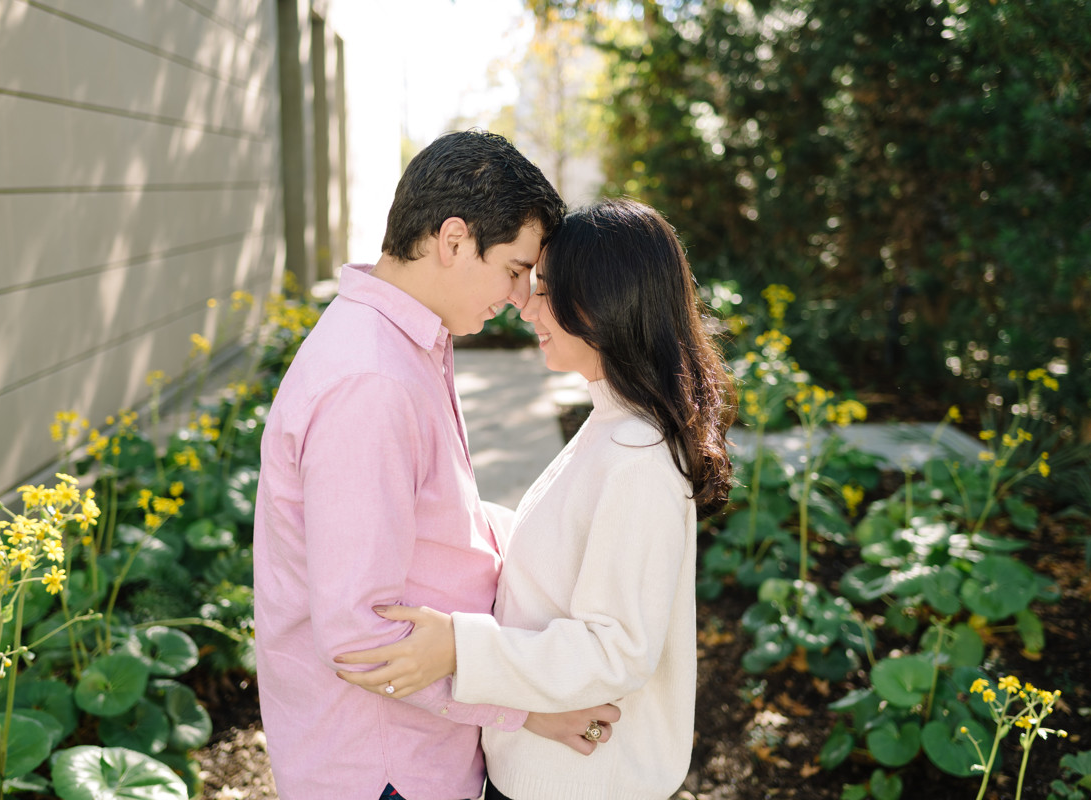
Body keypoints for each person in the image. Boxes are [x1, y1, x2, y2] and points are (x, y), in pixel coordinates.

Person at [253, 130, 619, 800]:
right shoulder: (371, 382)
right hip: (383, 767)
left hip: (412, 751)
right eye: (514, 269)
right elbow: (361, 637)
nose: (519, 296)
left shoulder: (407, 339)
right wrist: (528, 707)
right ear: (453, 240)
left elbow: (431, 526)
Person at [335, 198, 735, 800]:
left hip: (580, 781)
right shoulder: (613, 421)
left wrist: (456, 649)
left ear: (603, 305)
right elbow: (565, 546)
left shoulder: (637, 458)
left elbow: (616, 651)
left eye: (545, 291)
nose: (527, 306)